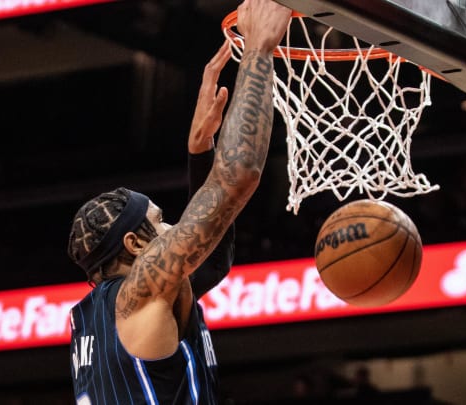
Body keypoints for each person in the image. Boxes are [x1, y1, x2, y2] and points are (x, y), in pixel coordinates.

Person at [66, 1, 293, 404]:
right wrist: (258, 50)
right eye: (160, 220)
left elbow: (214, 260)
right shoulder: (138, 293)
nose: (174, 228)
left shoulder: (99, 317)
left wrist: (199, 150)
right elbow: (237, 177)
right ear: (136, 246)